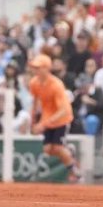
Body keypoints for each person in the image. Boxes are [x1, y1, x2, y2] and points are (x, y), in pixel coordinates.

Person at [28, 54, 81, 183]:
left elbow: (64, 110)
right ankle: (68, 150)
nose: (35, 70)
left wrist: (43, 124)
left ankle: (75, 172)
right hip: (48, 119)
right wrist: (33, 121)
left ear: (47, 68)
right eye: (34, 67)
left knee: (57, 148)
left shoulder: (56, 85)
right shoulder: (34, 83)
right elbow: (35, 102)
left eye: (38, 67)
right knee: (47, 149)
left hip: (62, 119)